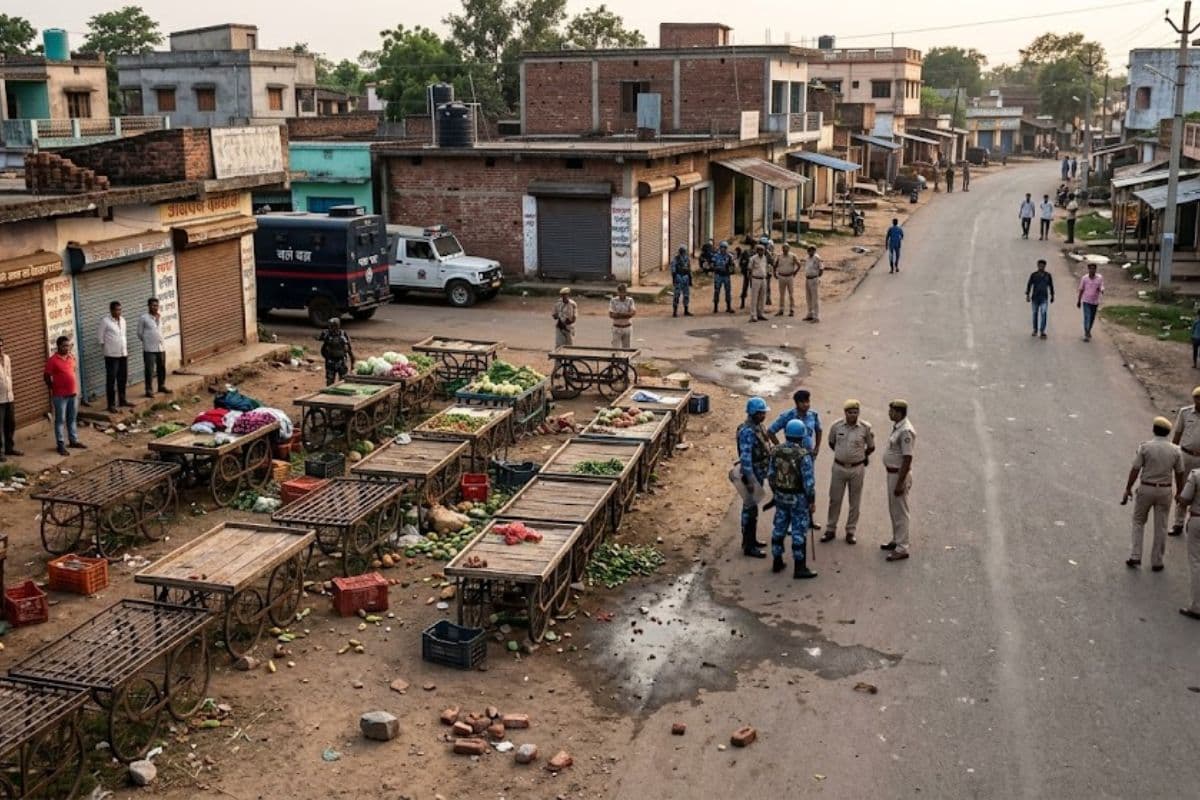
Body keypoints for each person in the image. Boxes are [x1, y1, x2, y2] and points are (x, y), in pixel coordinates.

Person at [1122, 416, 1185, 571]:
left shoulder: (1145, 447)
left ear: (1154, 430)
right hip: (1164, 490)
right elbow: (1180, 473)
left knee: (1138, 521)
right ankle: (1157, 561)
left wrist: (1128, 488)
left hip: (1146, 488)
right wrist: (1179, 492)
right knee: (1161, 526)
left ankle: (1136, 556)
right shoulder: (1176, 450)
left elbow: (1135, 469)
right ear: (1168, 432)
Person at [767, 419, 818, 579]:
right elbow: (808, 482)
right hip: (798, 499)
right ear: (802, 436)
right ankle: (800, 567)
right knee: (798, 531)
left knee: (779, 528)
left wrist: (776, 492)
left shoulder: (776, 451)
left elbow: (771, 475)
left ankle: (777, 560)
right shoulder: (803, 455)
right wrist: (811, 501)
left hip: (781, 496)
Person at [821, 399, 875, 545]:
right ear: (845, 413)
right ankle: (830, 529)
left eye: (856, 412)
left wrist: (862, 456)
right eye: (850, 412)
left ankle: (850, 531)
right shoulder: (836, 426)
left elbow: (871, 446)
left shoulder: (865, 428)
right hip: (839, 468)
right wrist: (842, 455)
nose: (853, 415)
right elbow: (831, 443)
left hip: (857, 468)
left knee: (854, 501)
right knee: (835, 499)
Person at [736, 396, 771, 559]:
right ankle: (748, 545)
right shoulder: (747, 431)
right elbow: (745, 457)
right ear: (753, 413)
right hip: (752, 474)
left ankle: (752, 540)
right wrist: (750, 480)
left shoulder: (758, 427)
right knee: (749, 510)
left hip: (759, 472)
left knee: (753, 508)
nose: (764, 415)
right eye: (761, 413)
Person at [880, 399, 916, 561]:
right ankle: (896, 540)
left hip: (898, 475)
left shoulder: (906, 431)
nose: (889, 413)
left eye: (892, 411)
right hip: (892, 473)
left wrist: (900, 483)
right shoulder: (898, 427)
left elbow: (907, 458)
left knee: (901, 512)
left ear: (899, 413)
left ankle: (902, 548)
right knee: (894, 509)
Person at [43, 336, 85, 457]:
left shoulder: (71, 357)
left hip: (72, 394)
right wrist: (53, 388)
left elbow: (73, 371)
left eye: (68, 345)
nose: (66, 348)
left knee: (72, 418)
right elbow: (46, 376)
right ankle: (60, 444)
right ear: (58, 346)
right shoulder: (53, 360)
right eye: (64, 346)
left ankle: (73, 440)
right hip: (60, 396)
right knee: (60, 420)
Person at [1173, 387, 1200, 536]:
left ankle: (1193, 523)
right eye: (1197, 398)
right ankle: (1178, 523)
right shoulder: (1185, 412)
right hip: (1185, 455)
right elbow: (1177, 435)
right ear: (1194, 399)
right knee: (1182, 490)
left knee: (1197, 493)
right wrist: (1173, 455)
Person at [1174, 465, 1200, 619]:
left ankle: (1196, 606)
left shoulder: (1196, 474)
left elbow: (1184, 500)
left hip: (1197, 519)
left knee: (1196, 562)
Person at [98, 300, 131, 413]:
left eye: (120, 310)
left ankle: (122, 400)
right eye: (116, 310)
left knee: (122, 378)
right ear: (111, 310)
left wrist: (124, 350)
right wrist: (107, 351)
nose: (119, 312)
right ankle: (111, 404)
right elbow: (100, 339)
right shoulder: (105, 321)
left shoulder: (123, 320)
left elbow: (123, 336)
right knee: (111, 380)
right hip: (111, 356)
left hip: (123, 354)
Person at [137, 297, 168, 398]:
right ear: (149, 306)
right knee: (149, 370)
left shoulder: (160, 316)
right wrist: (147, 341)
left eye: (157, 305)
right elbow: (139, 333)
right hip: (149, 349)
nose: (155, 307)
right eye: (153, 305)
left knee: (162, 368)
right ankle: (149, 390)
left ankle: (161, 385)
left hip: (161, 347)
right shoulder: (144, 318)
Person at [317, 318, 355, 385]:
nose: (331, 328)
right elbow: (321, 342)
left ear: (338, 326)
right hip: (330, 362)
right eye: (330, 326)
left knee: (343, 382)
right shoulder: (326, 334)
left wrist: (352, 364)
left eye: (333, 326)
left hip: (341, 362)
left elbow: (349, 350)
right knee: (329, 382)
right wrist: (326, 356)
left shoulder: (343, 335)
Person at [1025, 259, 1055, 338]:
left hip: (1044, 298)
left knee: (1043, 313)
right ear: (1037, 265)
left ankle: (1042, 331)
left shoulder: (1048, 275)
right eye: (1040, 265)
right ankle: (1035, 329)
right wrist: (1027, 295)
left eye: (1043, 265)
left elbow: (1051, 286)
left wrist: (1052, 295)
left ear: (1045, 266)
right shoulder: (1034, 275)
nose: (1041, 266)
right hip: (1035, 297)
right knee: (1035, 314)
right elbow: (1029, 285)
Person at [0, 337, 18, 459]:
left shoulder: (6, 358)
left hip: (9, 396)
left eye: (1, 345)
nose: (0, 348)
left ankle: (9, 448)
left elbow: (9, 376)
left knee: (11, 423)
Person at [1076, 262, 1103, 341]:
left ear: (1095, 269)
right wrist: (1079, 300)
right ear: (1088, 269)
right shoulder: (1084, 278)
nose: (1092, 270)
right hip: (1086, 301)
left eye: (1093, 269)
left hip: (1095, 301)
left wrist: (1101, 290)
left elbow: (1101, 286)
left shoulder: (1099, 278)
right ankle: (1086, 333)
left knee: (1092, 318)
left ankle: (1088, 330)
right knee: (1087, 317)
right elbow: (1081, 289)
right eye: (1090, 269)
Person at [773, 243, 800, 317]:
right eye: (784, 248)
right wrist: (774, 273)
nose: (785, 249)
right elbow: (775, 265)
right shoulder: (779, 256)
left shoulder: (793, 256)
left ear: (789, 248)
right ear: (782, 249)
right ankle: (781, 310)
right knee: (782, 294)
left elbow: (799, 265)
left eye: (786, 248)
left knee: (791, 294)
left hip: (789, 276)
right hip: (781, 276)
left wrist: (795, 272)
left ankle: (792, 309)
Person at [710, 241, 735, 314]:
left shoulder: (729, 256)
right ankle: (715, 307)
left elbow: (732, 266)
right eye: (722, 247)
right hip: (718, 275)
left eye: (724, 248)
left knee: (728, 291)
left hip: (726, 275)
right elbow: (712, 264)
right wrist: (715, 268)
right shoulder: (716, 256)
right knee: (717, 291)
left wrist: (730, 268)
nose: (723, 249)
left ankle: (729, 307)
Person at [608, 283, 636, 348]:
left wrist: (619, 314)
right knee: (615, 348)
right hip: (617, 328)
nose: (622, 294)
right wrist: (626, 314)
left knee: (627, 348)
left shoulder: (630, 300)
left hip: (627, 327)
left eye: (624, 292)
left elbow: (632, 313)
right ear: (618, 292)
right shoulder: (613, 300)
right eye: (621, 292)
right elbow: (611, 315)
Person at [747, 243, 769, 322]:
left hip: (763, 278)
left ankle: (761, 313)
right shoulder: (753, 258)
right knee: (754, 297)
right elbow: (749, 270)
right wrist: (750, 280)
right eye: (759, 250)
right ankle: (753, 315)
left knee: (762, 297)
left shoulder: (765, 258)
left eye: (762, 250)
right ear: (757, 251)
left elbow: (765, 267)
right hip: (755, 279)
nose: (761, 251)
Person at [670, 246, 693, 318]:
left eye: (684, 251)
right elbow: (673, 270)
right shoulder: (675, 259)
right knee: (677, 295)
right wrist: (674, 279)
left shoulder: (687, 259)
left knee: (686, 295)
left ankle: (686, 310)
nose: (683, 253)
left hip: (685, 277)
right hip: (679, 277)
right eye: (682, 251)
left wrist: (690, 279)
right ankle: (675, 311)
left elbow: (689, 269)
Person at [803, 245, 823, 323]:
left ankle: (816, 316)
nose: (810, 252)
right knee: (808, 297)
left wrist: (817, 277)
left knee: (815, 298)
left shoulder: (817, 258)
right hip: (807, 278)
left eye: (812, 250)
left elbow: (821, 268)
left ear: (814, 251)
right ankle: (810, 314)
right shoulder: (807, 257)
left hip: (814, 279)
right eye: (809, 250)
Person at [736, 245, 752, 310]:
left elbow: (740, 264)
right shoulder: (747, 253)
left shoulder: (749, 253)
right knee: (746, 288)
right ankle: (743, 303)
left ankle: (743, 304)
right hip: (748, 274)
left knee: (746, 288)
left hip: (750, 274)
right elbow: (741, 264)